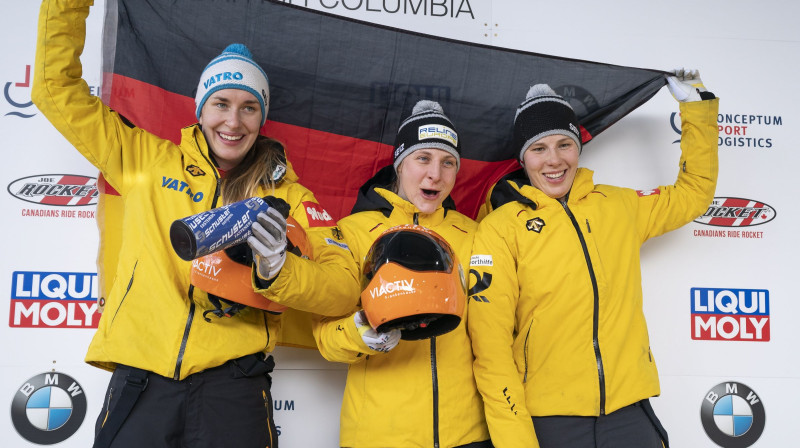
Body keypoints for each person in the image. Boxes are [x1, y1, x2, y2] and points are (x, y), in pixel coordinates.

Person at [32, 1, 360, 447]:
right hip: (141, 384)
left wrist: (279, 270)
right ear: (200, 109)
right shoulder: (144, 160)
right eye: (221, 104)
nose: (232, 120)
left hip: (234, 389)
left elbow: (343, 289)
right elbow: (54, 90)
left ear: (262, 117)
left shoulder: (288, 196)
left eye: (249, 107)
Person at [467, 72, 718, 448]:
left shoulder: (619, 206)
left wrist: (696, 109)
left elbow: (694, 193)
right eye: (539, 149)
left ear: (578, 148)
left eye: (564, 144)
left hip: (627, 409)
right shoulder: (500, 228)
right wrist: (515, 438)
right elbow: (490, 346)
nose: (554, 160)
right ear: (523, 158)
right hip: (549, 417)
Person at [312, 100, 492, 448]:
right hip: (381, 436)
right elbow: (324, 338)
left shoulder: (477, 235)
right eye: (423, 158)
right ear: (400, 164)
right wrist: (359, 331)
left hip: (468, 435)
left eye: (448, 162)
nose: (435, 175)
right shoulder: (353, 232)